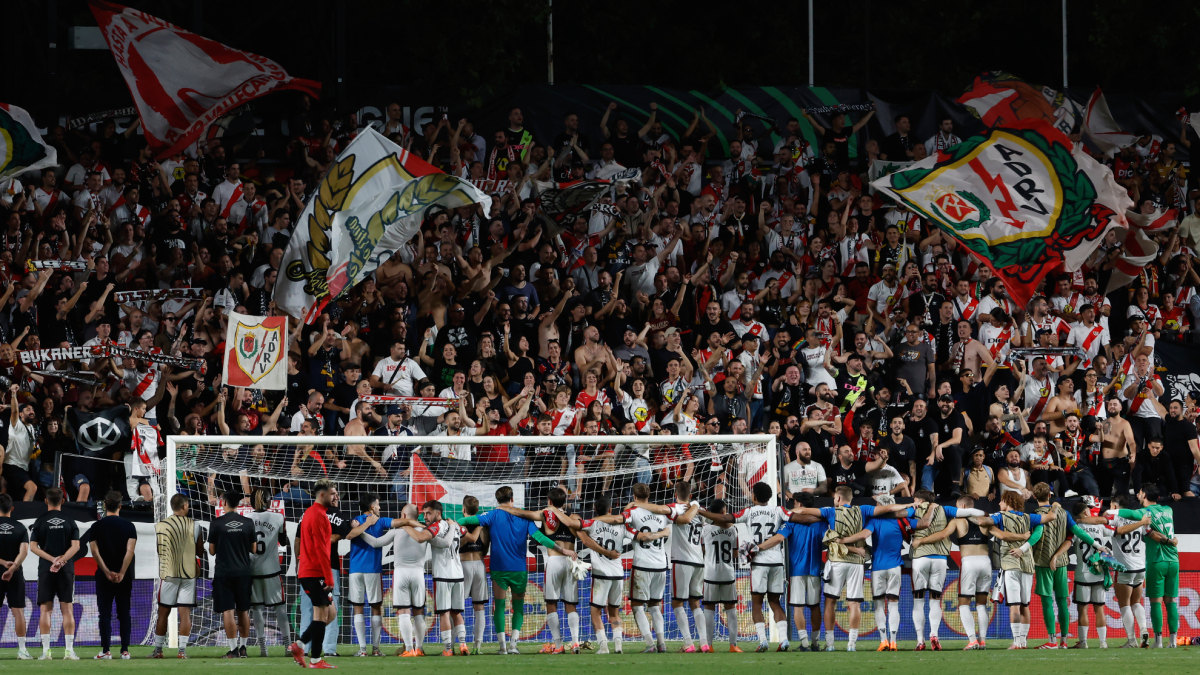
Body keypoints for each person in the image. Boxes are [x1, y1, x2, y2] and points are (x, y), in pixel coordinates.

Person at [457, 485, 576, 654]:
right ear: (512, 499)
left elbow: (466, 521)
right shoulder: (524, 517)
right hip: (519, 569)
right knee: (518, 606)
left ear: (497, 501)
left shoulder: (492, 514)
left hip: (499, 568)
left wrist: (451, 523)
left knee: (499, 606)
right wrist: (563, 550)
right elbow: (540, 538)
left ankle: (502, 647)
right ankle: (513, 644)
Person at [788, 486, 910, 651]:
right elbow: (888, 508)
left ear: (838, 499)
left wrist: (784, 511)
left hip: (837, 562)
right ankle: (851, 644)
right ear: (850, 498)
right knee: (854, 604)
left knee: (830, 602)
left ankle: (830, 644)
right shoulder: (863, 510)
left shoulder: (830, 511)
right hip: (856, 563)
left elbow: (803, 512)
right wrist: (909, 505)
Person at [968, 492, 1056, 649]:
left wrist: (967, 514)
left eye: (1001, 501)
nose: (999, 504)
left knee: (1014, 604)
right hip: (1028, 563)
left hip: (1010, 562)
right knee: (1025, 604)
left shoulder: (1000, 516)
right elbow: (1050, 517)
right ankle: (1023, 641)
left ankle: (1016, 641)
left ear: (1007, 501)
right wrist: (1055, 506)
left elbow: (981, 522)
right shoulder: (1029, 517)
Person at [910, 495, 996, 650]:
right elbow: (1000, 534)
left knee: (964, 604)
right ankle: (982, 641)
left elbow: (942, 535)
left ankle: (972, 640)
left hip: (969, 562)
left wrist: (921, 541)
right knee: (981, 604)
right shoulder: (985, 520)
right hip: (986, 561)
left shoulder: (957, 521)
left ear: (962, 507)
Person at [1028, 482, 1106, 649]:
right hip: (1062, 563)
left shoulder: (1035, 515)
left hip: (1043, 562)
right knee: (1062, 601)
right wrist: (1097, 545)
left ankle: (1052, 640)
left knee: (1047, 601)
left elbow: (1032, 536)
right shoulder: (1064, 513)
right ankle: (1064, 640)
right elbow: (1078, 532)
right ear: (1050, 495)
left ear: (1034, 496)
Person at [292, 479, 357, 668]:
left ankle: (301, 645)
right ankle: (315, 659)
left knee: (330, 613)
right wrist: (328, 577)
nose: (335, 496)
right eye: (332, 493)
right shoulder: (320, 516)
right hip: (315, 572)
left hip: (309, 571)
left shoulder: (309, 513)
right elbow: (322, 549)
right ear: (322, 494)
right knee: (321, 615)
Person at [401, 500, 479, 656]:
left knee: (444, 613)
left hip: (443, 575)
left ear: (438, 513)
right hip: (458, 574)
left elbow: (420, 538)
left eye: (429, 513)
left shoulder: (437, 526)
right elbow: (472, 538)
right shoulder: (456, 526)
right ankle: (463, 645)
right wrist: (479, 525)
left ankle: (448, 649)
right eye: (424, 514)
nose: (426, 516)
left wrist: (404, 525)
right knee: (456, 613)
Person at [1111, 484, 1179, 648]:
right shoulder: (1168, 510)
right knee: (1171, 601)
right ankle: (1173, 641)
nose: (1138, 495)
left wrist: (1111, 511)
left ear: (1145, 495)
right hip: (1174, 560)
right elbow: (1154, 532)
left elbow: (1131, 514)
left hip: (1156, 560)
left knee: (1155, 601)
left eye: (1140, 493)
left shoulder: (1144, 513)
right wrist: (1171, 541)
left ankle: (1158, 641)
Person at [756, 492, 825, 651]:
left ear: (799, 504)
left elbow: (779, 538)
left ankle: (804, 642)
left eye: (794, 503)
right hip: (815, 569)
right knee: (815, 607)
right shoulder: (820, 522)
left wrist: (758, 547)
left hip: (796, 571)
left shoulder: (791, 521)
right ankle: (815, 642)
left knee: (798, 607)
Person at [151, 493, 204, 659]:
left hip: (169, 573)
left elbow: (160, 550)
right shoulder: (194, 525)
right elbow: (200, 552)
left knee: (163, 613)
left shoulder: (160, 525)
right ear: (184, 506)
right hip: (188, 573)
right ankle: (181, 651)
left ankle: (158, 650)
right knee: (185, 613)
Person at [30, 487, 80, 660]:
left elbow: (32, 547)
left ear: (46, 501)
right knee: (67, 611)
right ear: (63, 501)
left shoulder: (40, 521)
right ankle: (69, 651)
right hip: (66, 570)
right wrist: (61, 561)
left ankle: (46, 652)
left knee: (45, 611)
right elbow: (76, 546)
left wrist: (52, 560)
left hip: (46, 570)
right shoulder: (69, 521)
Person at [89, 491, 137, 660]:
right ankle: (125, 650)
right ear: (120, 506)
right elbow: (130, 551)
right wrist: (122, 572)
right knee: (124, 612)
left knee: (105, 614)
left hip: (104, 577)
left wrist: (106, 571)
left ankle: (106, 650)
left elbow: (94, 552)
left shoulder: (96, 527)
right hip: (125, 577)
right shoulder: (129, 526)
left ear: (104, 506)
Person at [209, 490, 256, 658]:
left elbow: (212, 551)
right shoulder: (249, 522)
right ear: (239, 504)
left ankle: (233, 649)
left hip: (224, 572)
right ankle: (243, 648)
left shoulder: (216, 523)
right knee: (244, 610)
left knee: (228, 611)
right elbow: (254, 549)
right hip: (243, 572)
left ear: (224, 503)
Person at [249, 489, 290, 657]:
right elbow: (283, 541)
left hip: (252, 570)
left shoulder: (246, 520)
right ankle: (288, 646)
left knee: (257, 609)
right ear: (269, 501)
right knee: (280, 608)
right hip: (272, 570)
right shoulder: (278, 517)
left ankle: (262, 648)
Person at [699, 498, 741, 652]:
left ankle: (709, 645)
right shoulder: (733, 529)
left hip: (711, 573)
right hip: (728, 573)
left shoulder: (706, 529)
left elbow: (702, 551)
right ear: (723, 512)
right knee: (730, 609)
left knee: (709, 609)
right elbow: (735, 554)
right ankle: (733, 645)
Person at [1068, 501, 1111, 649]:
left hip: (1083, 574)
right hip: (1099, 573)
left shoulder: (1076, 528)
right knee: (1099, 609)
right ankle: (1103, 642)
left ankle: (1084, 642)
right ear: (1086, 512)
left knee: (1083, 609)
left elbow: (1068, 543)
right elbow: (1114, 531)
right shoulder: (1100, 526)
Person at [1110, 496, 1151, 647]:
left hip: (1124, 567)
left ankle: (1132, 640)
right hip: (1140, 567)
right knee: (1136, 602)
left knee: (1124, 604)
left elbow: (1117, 531)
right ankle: (1144, 628)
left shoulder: (1115, 518)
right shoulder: (1139, 518)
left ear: (1115, 506)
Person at [0, 494, 31, 659]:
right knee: (18, 612)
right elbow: (24, 551)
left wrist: (4, 563)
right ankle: (22, 650)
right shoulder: (20, 527)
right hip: (15, 574)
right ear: (11, 509)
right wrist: (12, 568)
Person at [459, 496, 491, 654]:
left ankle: (460, 643)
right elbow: (485, 548)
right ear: (477, 510)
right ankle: (478, 646)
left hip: (463, 565)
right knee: (479, 607)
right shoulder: (483, 527)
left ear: (463, 509)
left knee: (457, 607)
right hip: (479, 564)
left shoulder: (459, 525)